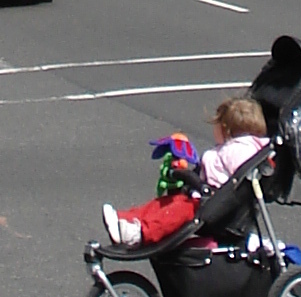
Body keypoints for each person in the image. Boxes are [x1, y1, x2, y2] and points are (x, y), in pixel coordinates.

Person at [101, 95, 268, 248]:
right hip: (207, 199)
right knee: (167, 202)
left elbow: (235, 178)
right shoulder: (235, 149)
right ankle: (126, 219)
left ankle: (140, 233)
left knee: (176, 212)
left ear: (226, 129)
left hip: (215, 208)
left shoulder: (240, 150)